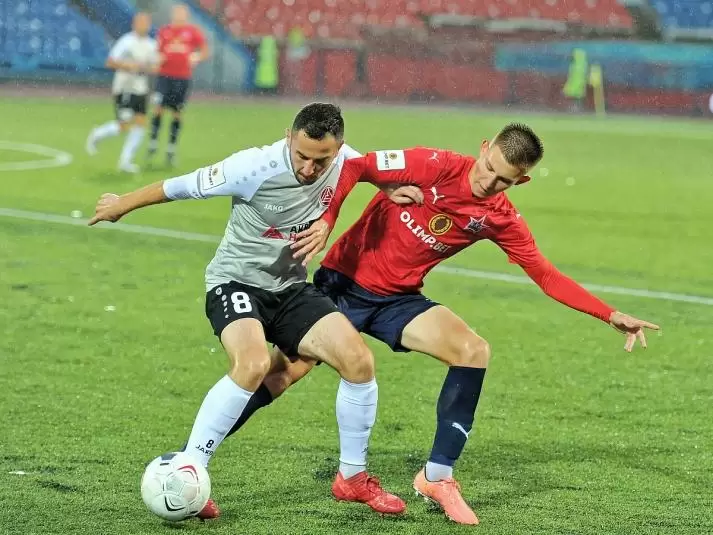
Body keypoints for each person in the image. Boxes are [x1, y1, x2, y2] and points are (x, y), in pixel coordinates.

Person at [222, 123, 660, 525]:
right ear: (484, 148)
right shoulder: (434, 164)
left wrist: (609, 314)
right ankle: (194, 460)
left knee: (472, 350)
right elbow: (356, 165)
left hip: (398, 301)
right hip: (342, 285)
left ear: (520, 182)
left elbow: (545, 275)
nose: (488, 182)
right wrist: (328, 220)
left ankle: (436, 476)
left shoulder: (500, 217)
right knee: (279, 375)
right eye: (489, 168)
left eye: (503, 180)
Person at [89, 104, 417, 520]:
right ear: (288, 137)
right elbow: (181, 186)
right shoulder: (251, 167)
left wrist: (389, 187)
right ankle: (191, 469)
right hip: (235, 283)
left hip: (290, 288)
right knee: (253, 363)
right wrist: (122, 204)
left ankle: (352, 478)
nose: (310, 169)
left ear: (337, 149)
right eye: (302, 156)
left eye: (321, 161)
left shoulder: (345, 160)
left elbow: (369, 168)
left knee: (358, 361)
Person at [85, 12, 158, 173]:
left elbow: (155, 66)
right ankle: (98, 133)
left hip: (140, 88)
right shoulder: (126, 41)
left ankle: (125, 161)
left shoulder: (152, 44)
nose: (143, 25)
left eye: (146, 22)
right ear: (134, 24)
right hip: (125, 88)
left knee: (140, 124)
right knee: (124, 125)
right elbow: (110, 62)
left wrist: (146, 67)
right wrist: (128, 66)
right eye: (140, 22)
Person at [147, 3, 209, 167]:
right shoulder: (164, 31)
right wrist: (157, 59)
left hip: (182, 78)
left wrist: (196, 57)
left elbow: (205, 51)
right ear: (172, 15)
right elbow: (157, 51)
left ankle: (171, 147)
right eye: (177, 13)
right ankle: (153, 141)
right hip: (164, 77)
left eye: (182, 13)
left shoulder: (192, 32)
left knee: (177, 112)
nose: (179, 16)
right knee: (158, 108)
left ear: (186, 15)